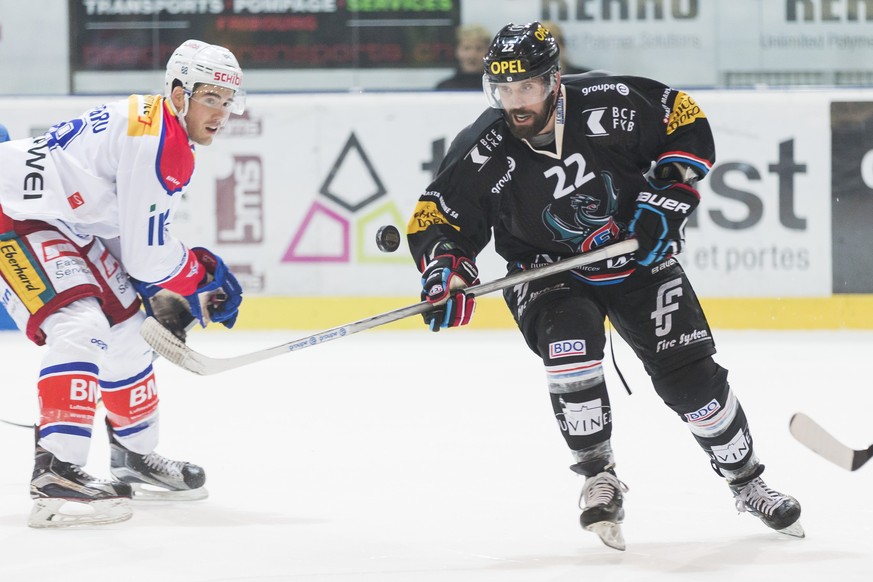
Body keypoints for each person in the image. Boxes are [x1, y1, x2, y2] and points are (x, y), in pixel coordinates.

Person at [406, 22, 802, 550]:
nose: (514, 101)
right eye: (503, 89)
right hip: (548, 272)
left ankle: (748, 481)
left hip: (636, 261)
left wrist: (670, 192)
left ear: (553, 81)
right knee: (571, 351)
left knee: (693, 384)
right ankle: (598, 474)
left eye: (526, 87)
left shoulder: (609, 101)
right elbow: (440, 217)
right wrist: (446, 271)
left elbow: (682, 118)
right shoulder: (484, 147)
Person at [0, 39, 245, 528]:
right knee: (80, 324)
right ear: (179, 92)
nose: (221, 112)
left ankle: (132, 458)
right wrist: (198, 278)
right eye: (210, 97)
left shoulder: (152, 122)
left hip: (62, 221)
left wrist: (169, 288)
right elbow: (150, 257)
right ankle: (57, 473)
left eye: (227, 100)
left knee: (130, 333)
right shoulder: (161, 142)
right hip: (15, 215)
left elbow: (120, 230)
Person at [435, 24, 492, 90]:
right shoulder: (444, 88)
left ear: (488, 53)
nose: (472, 55)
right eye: (466, 48)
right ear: (457, 51)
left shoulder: (498, 88)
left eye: (479, 48)